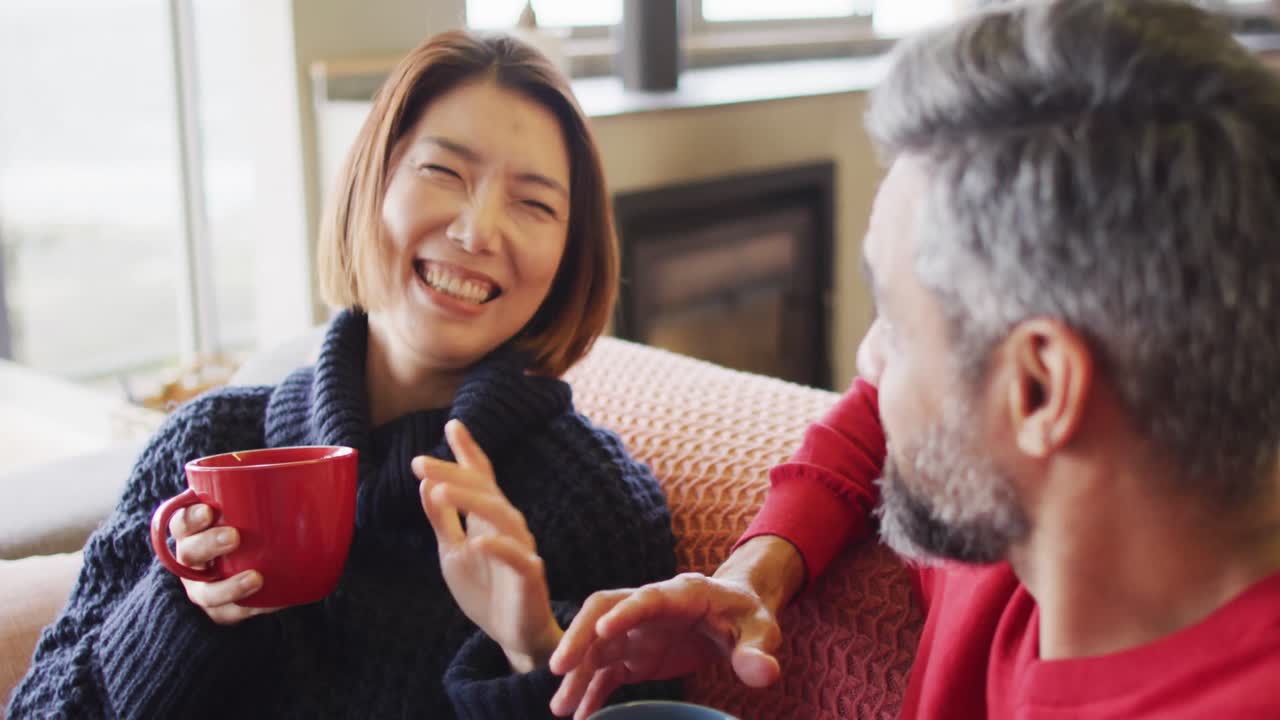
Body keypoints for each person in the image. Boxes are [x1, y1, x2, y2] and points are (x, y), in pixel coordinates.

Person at [549, 1, 1280, 718]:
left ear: (1036, 390)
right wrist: (756, 572)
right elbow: (876, 412)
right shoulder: (1034, 517)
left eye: (894, 322)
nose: (866, 363)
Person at [7, 31, 677, 719]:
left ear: (570, 256)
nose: (478, 232)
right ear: (372, 184)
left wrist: (534, 649)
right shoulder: (209, 447)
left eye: (535, 204)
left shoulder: (597, 502)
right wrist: (183, 608)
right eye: (443, 173)